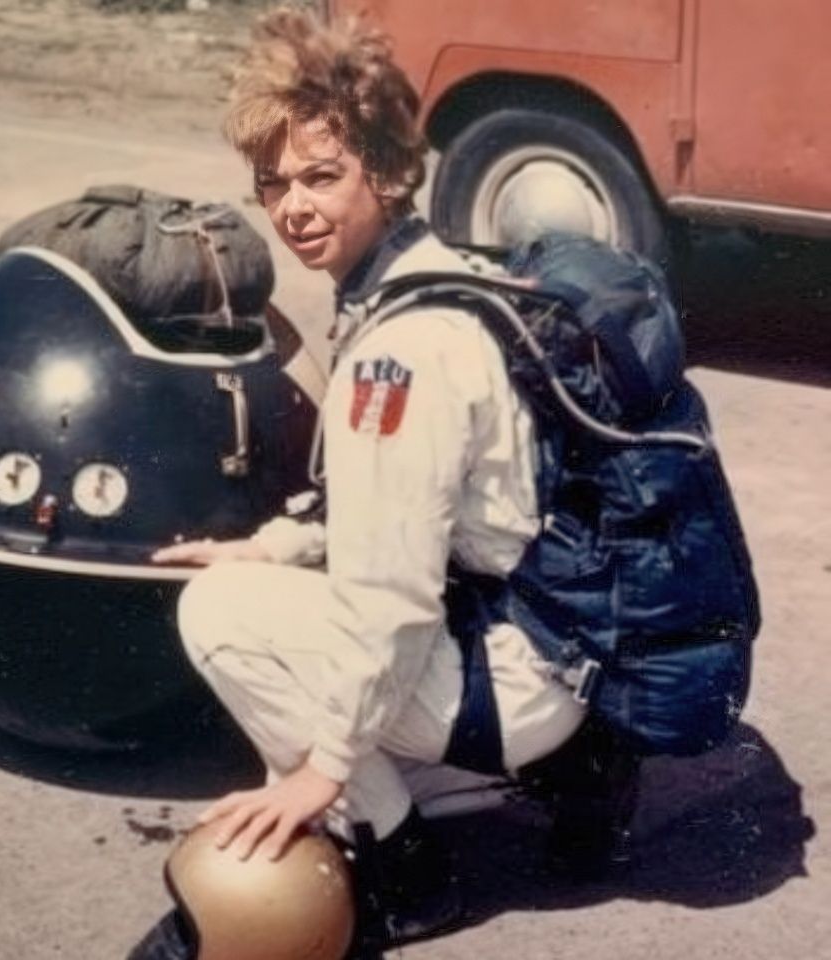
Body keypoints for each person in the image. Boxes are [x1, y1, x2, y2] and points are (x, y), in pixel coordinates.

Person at [148, 5, 597, 949]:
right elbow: (390, 508)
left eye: (323, 174)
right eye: (274, 184)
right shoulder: (442, 276)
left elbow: (390, 595)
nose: (293, 208)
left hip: (506, 671)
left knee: (221, 614)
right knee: (266, 590)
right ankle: (561, 769)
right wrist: (266, 546)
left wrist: (326, 771)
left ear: (389, 171)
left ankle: (403, 861)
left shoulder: (406, 348)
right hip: (550, 636)